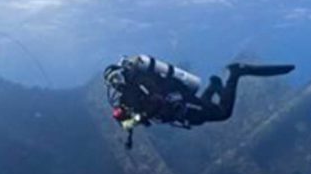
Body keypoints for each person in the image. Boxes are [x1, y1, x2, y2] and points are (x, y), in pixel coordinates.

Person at [103, 55, 294, 148]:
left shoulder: (140, 81)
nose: (116, 81)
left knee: (222, 113)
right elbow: (128, 123)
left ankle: (236, 73)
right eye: (112, 81)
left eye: (116, 76)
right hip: (180, 115)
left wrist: (143, 114)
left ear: (122, 73)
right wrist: (129, 122)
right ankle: (214, 85)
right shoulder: (123, 99)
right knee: (202, 117)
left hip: (180, 103)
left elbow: (157, 99)